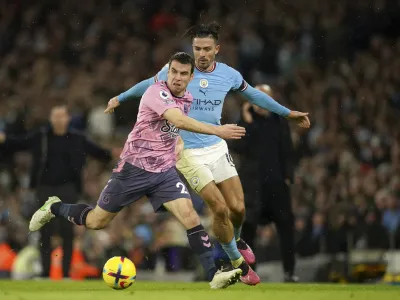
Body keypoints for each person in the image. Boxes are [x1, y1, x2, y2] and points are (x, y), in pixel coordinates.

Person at [105, 22, 310, 285]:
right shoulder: (179, 71)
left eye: (206, 49)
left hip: (216, 145)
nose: (201, 53)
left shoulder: (228, 75)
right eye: (197, 48)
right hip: (186, 150)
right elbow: (147, 84)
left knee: (238, 208)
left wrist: (287, 112)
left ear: (217, 49)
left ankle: (235, 239)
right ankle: (238, 263)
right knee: (219, 207)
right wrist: (120, 98)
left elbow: (256, 96)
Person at [29, 52, 245, 289]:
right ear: (168, 72)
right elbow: (177, 120)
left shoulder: (188, 99)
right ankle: (54, 206)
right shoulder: (156, 92)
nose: (178, 77)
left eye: (184, 74)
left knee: (191, 217)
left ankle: (214, 275)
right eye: (174, 72)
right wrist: (217, 130)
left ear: (191, 77)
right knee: (96, 221)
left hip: (163, 173)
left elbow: (177, 128)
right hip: (132, 170)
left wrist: (179, 144)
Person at [0, 105, 115, 279]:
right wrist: (5, 139)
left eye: (62, 116)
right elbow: (20, 142)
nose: (58, 119)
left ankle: (65, 273)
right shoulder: (41, 136)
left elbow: (97, 152)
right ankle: (46, 273)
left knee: (66, 231)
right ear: (51, 119)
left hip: (68, 188)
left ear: (68, 119)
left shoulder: (77, 138)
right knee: (44, 230)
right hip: (44, 187)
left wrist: (112, 154)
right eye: (55, 116)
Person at [238, 84, 298, 282]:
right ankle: (249, 272)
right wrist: (248, 121)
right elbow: (240, 146)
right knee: (248, 229)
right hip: (253, 187)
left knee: (287, 227)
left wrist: (288, 176)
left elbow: (288, 151)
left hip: (276, 185)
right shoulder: (245, 122)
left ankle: (289, 272)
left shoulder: (280, 121)